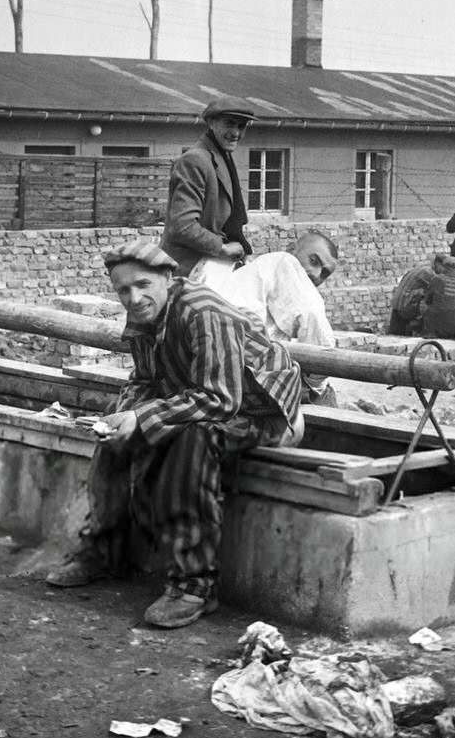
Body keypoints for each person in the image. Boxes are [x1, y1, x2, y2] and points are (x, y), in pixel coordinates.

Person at [45, 238, 303, 629]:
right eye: (123, 290)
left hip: (260, 412)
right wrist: (126, 415)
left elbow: (220, 399)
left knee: (192, 441)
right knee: (114, 432)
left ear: (168, 277)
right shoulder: (145, 317)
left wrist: (145, 416)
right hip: (199, 401)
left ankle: (195, 584)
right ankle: (107, 551)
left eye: (143, 285)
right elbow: (145, 380)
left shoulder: (202, 311)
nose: (133, 297)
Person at [218, 231, 340, 403]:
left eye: (325, 274)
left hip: (232, 373)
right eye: (313, 261)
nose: (316, 274)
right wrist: (316, 385)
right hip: (239, 374)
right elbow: (317, 329)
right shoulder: (283, 261)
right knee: (324, 394)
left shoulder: (256, 278)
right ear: (292, 249)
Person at [160, 97, 256, 287]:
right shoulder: (195, 160)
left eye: (242, 126)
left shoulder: (221, 157)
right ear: (211, 122)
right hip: (187, 272)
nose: (236, 132)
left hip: (213, 266)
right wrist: (223, 249)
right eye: (229, 123)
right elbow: (183, 227)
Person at [386, 252, 449, 335]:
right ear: (438, 264)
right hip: (406, 307)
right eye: (444, 268)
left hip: (397, 304)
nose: (444, 272)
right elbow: (440, 291)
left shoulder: (421, 267)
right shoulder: (428, 273)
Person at [420, 255, 455, 339]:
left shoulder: (436, 279)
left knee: (424, 305)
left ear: (444, 267)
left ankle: (431, 333)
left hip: (436, 324)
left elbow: (427, 299)